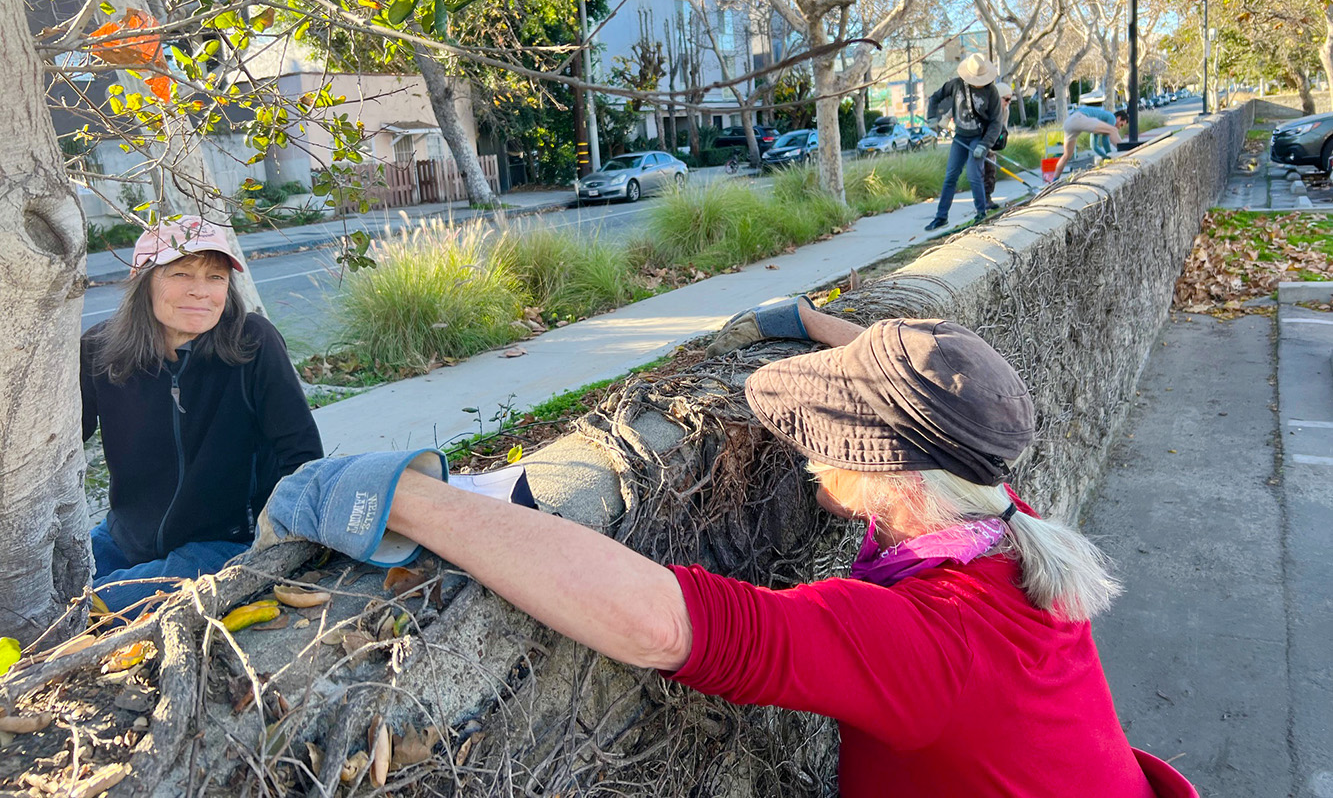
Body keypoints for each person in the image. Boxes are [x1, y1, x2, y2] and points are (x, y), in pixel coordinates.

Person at [255, 297, 1197, 798]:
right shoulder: (996, 520)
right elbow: (945, 399)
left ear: (888, 476)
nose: (806, 450)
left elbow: (662, 623)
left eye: (825, 436)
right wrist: (815, 326)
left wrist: (404, 499)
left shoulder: (919, 641)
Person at [81, 216, 323, 612]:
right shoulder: (99, 349)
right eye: (181, 273)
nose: (201, 291)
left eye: (216, 277)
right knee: (35, 594)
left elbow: (302, 456)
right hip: (123, 536)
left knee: (90, 608)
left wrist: (279, 543)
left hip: (224, 544)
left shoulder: (253, 342)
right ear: (143, 280)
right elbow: (54, 450)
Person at [924, 53, 1006, 231]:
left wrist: (984, 145)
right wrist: (931, 117)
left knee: (973, 174)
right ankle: (941, 217)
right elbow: (935, 98)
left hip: (979, 137)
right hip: (960, 136)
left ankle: (981, 213)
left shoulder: (991, 92)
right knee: (951, 176)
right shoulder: (955, 85)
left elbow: (996, 123)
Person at [1051, 90, 1129, 178]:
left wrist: (1105, 156)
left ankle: (1054, 179)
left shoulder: (1096, 124)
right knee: (1113, 130)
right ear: (1118, 118)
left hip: (1069, 122)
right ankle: (1126, 153)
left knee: (1066, 155)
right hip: (1079, 117)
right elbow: (1105, 140)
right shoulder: (1112, 118)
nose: (1119, 127)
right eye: (1121, 124)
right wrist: (1109, 155)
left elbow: (1094, 146)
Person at [982, 81, 1015, 211]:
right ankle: (981, 201)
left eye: (1010, 100)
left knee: (991, 171)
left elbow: (1003, 129)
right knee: (981, 172)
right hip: (980, 142)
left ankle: (987, 198)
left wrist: (997, 144)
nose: (1008, 102)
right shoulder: (986, 109)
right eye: (1006, 99)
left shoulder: (1005, 111)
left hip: (991, 144)